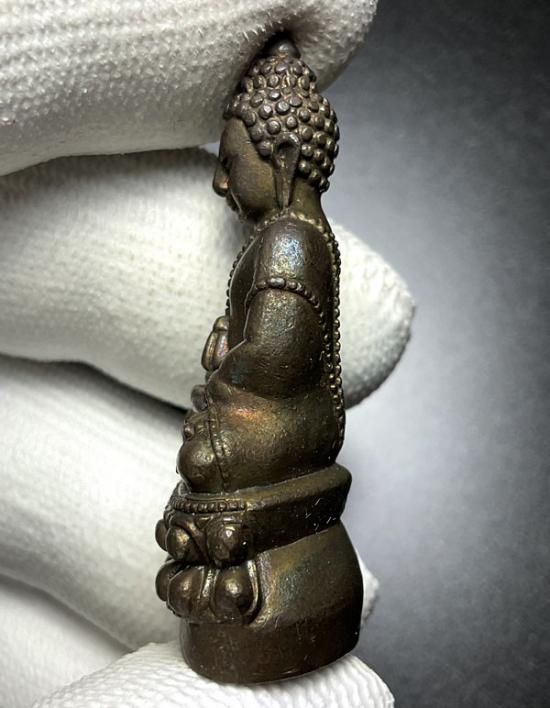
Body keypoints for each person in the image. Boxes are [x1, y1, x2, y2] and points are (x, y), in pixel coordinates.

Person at [0, 0, 413, 704]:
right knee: (201, 450)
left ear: (283, 159)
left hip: (280, 418)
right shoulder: (286, 239)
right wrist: (230, 350)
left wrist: (228, 371)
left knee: (203, 454)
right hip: (286, 418)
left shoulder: (289, 241)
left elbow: (276, 354)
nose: (223, 182)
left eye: (231, 164)